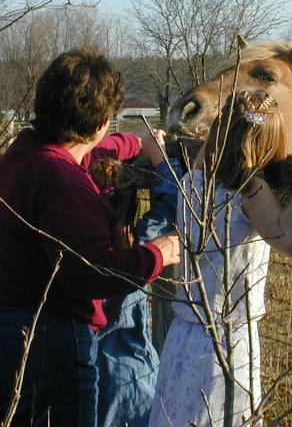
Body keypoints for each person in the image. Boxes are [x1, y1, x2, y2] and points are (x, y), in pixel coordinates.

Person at [0, 47, 180, 427]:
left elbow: (87, 150)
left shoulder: (27, 150)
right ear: (103, 121)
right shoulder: (64, 183)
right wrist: (159, 253)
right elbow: (91, 272)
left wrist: (134, 143)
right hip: (39, 345)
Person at [147, 89, 292, 427]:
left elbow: (209, 151)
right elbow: (291, 242)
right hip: (226, 338)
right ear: (267, 143)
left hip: (185, 333)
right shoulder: (247, 189)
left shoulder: (195, 180)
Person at [95, 126, 182, 427]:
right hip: (132, 375)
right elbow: (172, 204)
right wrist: (157, 154)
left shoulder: (70, 246)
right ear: (130, 205)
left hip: (83, 368)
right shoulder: (136, 253)